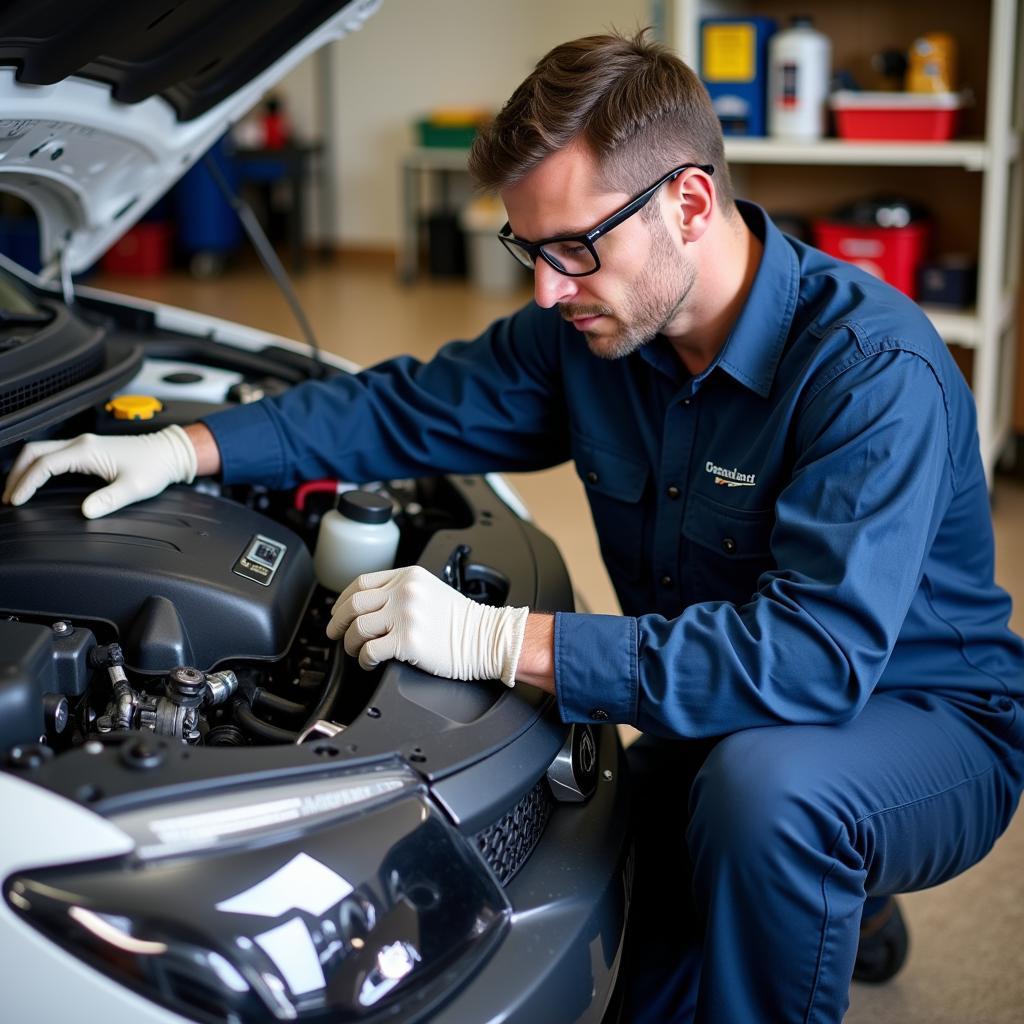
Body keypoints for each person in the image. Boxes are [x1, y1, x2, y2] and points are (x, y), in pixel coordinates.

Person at [4, 29, 1023, 1024]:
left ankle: (834, 855)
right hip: (724, 701)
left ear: (691, 201)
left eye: (575, 248)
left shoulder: (866, 371)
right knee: (643, 846)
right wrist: (188, 449)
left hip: (922, 714)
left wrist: (496, 638)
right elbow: (401, 406)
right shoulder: (593, 330)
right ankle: (843, 902)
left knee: (766, 801)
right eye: (527, 249)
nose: (547, 289)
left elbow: (810, 661)